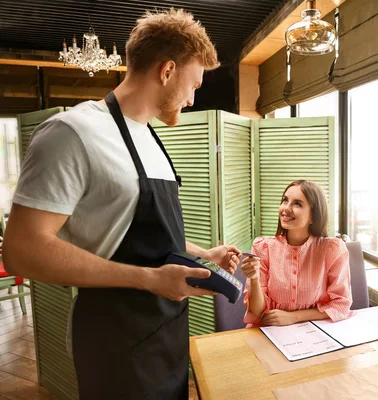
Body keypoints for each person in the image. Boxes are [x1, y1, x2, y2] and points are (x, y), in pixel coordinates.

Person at [3, 9, 241, 400]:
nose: (192, 98)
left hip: (166, 334)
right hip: (114, 342)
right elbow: (21, 250)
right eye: (193, 85)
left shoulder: (150, 137)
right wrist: (149, 279)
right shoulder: (71, 133)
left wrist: (203, 253)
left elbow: (147, 235)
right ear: (167, 71)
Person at [240, 180, 355, 328]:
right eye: (285, 200)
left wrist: (294, 317)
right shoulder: (263, 247)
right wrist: (254, 279)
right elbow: (256, 312)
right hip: (271, 331)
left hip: (316, 330)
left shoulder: (332, 249)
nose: (286, 209)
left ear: (313, 216)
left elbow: (341, 304)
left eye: (297, 204)